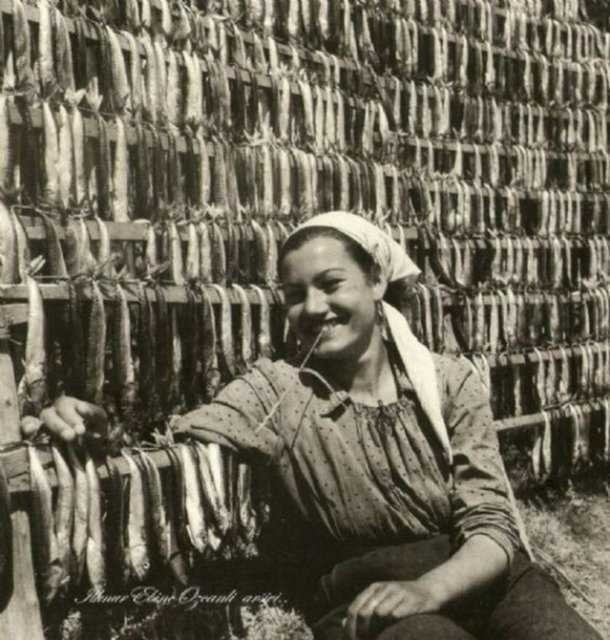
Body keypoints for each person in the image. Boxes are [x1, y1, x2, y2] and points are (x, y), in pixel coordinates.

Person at [42, 212, 601, 640]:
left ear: (377, 281)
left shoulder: (449, 383)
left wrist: (429, 588)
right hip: (364, 595)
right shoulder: (277, 393)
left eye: (332, 284)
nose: (313, 307)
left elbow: (493, 524)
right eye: (293, 295)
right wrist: (89, 423)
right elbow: (167, 445)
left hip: (480, 576)